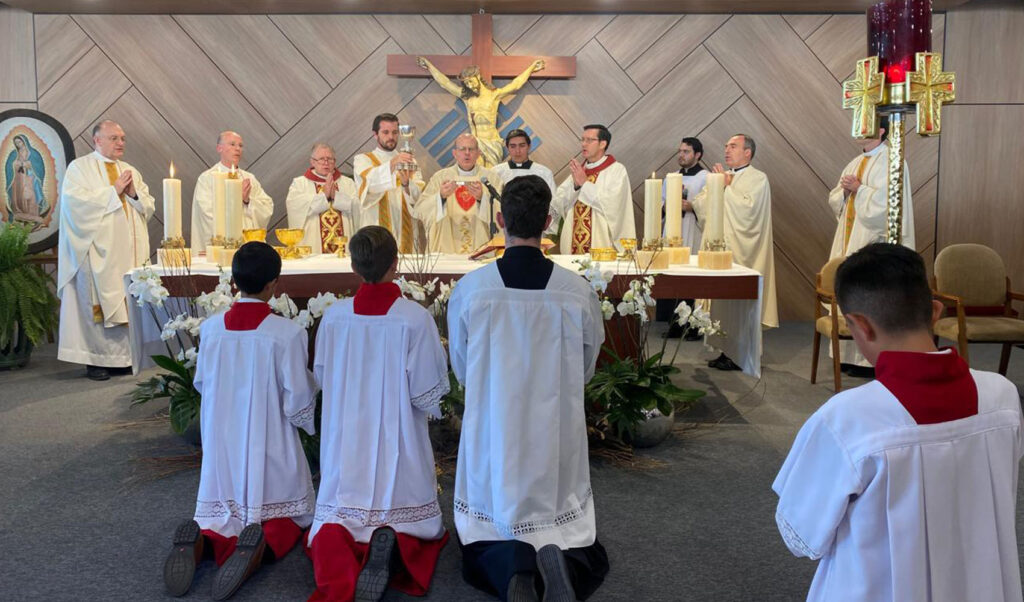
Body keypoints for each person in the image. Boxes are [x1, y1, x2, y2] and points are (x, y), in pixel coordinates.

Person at [773, 243, 1023, 602]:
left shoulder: (846, 418)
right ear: (935, 311)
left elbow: (802, 534)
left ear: (860, 325)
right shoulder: (1003, 398)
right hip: (982, 586)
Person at [448, 175, 609, 602]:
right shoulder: (576, 292)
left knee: (487, 525)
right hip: (554, 433)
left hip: (494, 428)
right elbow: (588, 363)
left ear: (499, 219)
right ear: (550, 222)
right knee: (562, 519)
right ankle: (554, 552)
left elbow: (462, 367)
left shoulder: (472, 290)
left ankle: (514, 563)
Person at [163, 241, 317, 600]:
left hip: (222, 441)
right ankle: (256, 551)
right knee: (289, 518)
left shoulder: (213, 329)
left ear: (234, 281)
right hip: (269, 440)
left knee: (220, 516)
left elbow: (202, 381)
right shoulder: (287, 333)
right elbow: (297, 400)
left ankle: (204, 540)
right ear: (272, 285)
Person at [309, 225, 450, 602]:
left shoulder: (335, 317)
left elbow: (321, 375)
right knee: (412, 520)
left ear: (354, 267)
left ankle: (353, 537)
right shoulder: (413, 318)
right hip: (397, 441)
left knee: (335, 523)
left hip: (346, 440)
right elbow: (426, 394)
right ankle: (394, 537)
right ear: (396, 264)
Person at [57, 120, 154, 381]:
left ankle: (122, 358)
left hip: (128, 253)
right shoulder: (80, 168)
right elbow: (74, 204)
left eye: (122, 138)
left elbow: (147, 205)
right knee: (96, 304)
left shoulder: (130, 169)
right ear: (96, 140)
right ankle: (96, 360)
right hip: (97, 252)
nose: (120, 143)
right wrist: (112, 192)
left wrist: (133, 194)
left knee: (126, 301)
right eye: (114, 138)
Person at [827, 116, 915, 376]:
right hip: (850, 234)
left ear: (881, 130)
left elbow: (888, 205)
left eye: (865, 125)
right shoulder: (854, 162)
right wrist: (844, 193)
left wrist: (860, 189)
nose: (859, 130)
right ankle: (847, 355)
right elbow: (836, 198)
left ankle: (870, 361)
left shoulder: (892, 160)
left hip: (873, 240)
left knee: (869, 295)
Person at [691, 134, 778, 371]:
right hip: (719, 251)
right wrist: (715, 187)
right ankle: (725, 350)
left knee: (739, 304)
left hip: (743, 253)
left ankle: (742, 353)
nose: (727, 150)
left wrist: (726, 188)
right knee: (721, 304)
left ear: (747, 152)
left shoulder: (758, 178)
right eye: (726, 146)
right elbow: (701, 205)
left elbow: (749, 212)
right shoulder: (721, 177)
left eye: (733, 146)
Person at [417, 58, 545, 167]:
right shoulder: (467, 97)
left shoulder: (494, 95)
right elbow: (445, 83)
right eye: (466, 84)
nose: (470, 86)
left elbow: (516, 84)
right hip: (476, 144)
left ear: (478, 76)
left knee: (492, 179)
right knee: (477, 178)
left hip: (492, 143)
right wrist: (429, 66)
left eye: (471, 82)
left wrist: (532, 67)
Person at [551, 124, 634, 254]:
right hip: (571, 246)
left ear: (602, 144)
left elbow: (614, 205)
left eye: (589, 140)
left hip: (601, 247)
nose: (583, 144)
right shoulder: (579, 170)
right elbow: (559, 202)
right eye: (582, 140)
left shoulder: (616, 170)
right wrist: (576, 186)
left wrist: (585, 184)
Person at [352, 113, 425, 254]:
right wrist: (392, 163)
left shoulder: (410, 162)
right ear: (375, 134)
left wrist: (406, 184)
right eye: (385, 132)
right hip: (376, 229)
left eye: (394, 132)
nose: (391, 137)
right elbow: (369, 185)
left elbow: (419, 197)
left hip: (406, 229)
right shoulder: (363, 160)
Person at [416, 133, 500, 254]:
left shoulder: (491, 178)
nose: (467, 153)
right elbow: (421, 210)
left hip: (482, 247)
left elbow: (503, 212)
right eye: (462, 149)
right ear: (455, 153)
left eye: (471, 149)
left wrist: (483, 199)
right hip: (447, 249)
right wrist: (440, 197)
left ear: (478, 153)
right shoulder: (440, 178)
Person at [659, 137, 708, 339]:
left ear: (697, 155)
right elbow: (660, 203)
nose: (681, 155)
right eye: (680, 151)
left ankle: (694, 326)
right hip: (673, 232)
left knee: (692, 279)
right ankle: (676, 324)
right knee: (674, 279)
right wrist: (666, 205)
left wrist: (692, 207)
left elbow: (710, 205)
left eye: (686, 152)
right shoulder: (671, 177)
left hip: (692, 230)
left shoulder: (706, 177)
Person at [190, 131, 273, 249]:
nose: (237, 149)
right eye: (232, 144)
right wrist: (235, 200)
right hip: (222, 246)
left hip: (248, 245)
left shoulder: (249, 178)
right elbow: (207, 212)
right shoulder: (207, 178)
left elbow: (267, 207)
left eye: (240, 145)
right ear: (219, 148)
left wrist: (247, 201)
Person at [285, 142, 357, 254]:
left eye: (330, 159)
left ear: (335, 162)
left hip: (344, 249)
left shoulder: (347, 183)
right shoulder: (299, 183)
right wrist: (324, 196)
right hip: (313, 248)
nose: (326, 163)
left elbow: (357, 207)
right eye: (321, 159)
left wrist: (336, 196)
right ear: (312, 161)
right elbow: (295, 208)